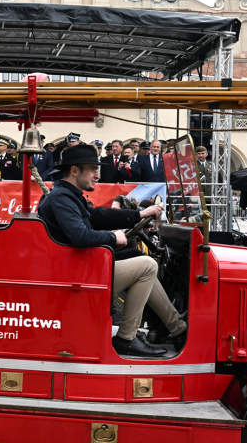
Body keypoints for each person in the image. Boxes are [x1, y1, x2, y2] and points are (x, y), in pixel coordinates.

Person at [37, 143, 186, 358]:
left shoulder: (69, 195)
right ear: (75, 170)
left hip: (79, 266)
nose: (97, 175)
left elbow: (97, 216)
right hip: (75, 274)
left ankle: (177, 329)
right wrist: (112, 237)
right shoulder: (61, 198)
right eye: (93, 170)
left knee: (138, 257)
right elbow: (80, 236)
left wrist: (139, 215)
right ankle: (127, 338)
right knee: (147, 265)